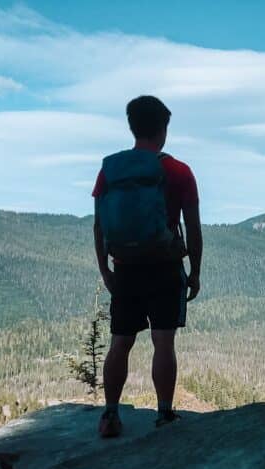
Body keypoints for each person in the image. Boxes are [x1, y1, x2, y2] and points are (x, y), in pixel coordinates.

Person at [91, 95, 202, 438]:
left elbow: (99, 225)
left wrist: (106, 271)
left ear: (133, 127)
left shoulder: (111, 170)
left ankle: (110, 414)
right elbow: (193, 228)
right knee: (163, 342)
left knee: (120, 342)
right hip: (165, 267)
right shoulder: (179, 172)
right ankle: (165, 414)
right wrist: (194, 273)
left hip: (124, 267)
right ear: (163, 129)